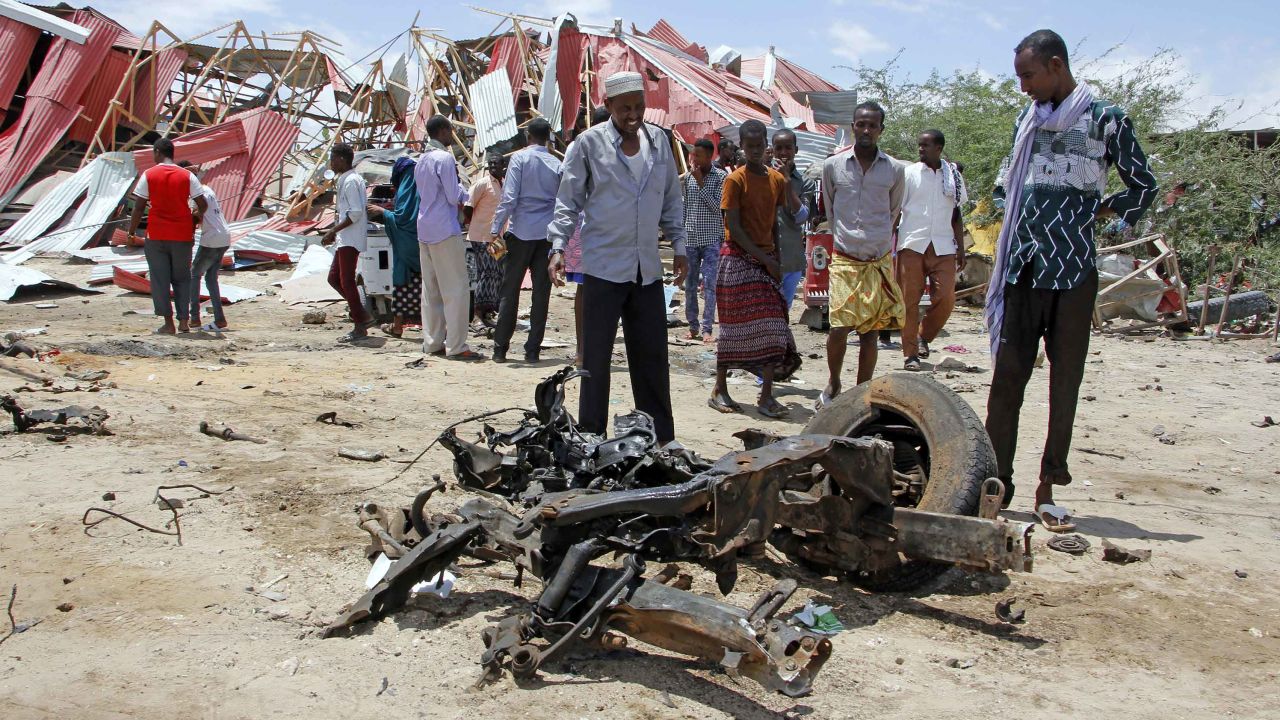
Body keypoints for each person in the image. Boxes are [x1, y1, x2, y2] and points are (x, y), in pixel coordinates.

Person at [985, 29, 1156, 531]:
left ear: (1056, 66)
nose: (1023, 88)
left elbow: (1143, 185)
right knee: (1006, 382)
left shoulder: (1108, 120)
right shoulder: (1027, 122)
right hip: (1024, 268)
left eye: (1028, 76)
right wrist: (1019, 212)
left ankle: (1048, 484)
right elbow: (1002, 185)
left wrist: (1102, 209)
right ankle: (998, 483)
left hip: (1074, 273)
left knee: (1065, 384)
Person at [548, 71, 688, 444]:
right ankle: (592, 436)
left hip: (647, 271)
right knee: (596, 359)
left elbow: (672, 199)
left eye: (639, 107)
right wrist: (557, 247)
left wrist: (680, 246)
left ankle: (659, 438)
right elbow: (568, 200)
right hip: (604, 269)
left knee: (652, 360)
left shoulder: (659, 142)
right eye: (625, 108)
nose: (634, 114)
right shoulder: (588, 144)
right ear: (608, 106)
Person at [710, 119, 802, 418]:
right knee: (733, 328)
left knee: (773, 328)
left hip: (765, 260)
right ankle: (719, 389)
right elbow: (733, 228)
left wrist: (776, 259)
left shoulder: (776, 180)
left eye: (758, 146)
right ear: (742, 147)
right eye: (748, 146)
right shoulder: (735, 180)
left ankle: (766, 395)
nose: (753, 151)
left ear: (767, 146)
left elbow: (774, 223)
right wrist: (767, 260)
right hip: (737, 259)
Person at [817, 101, 906, 408]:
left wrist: (877, 240)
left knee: (870, 332)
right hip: (844, 258)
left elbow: (893, 212)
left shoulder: (895, 169)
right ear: (852, 126)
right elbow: (829, 207)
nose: (866, 130)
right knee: (839, 326)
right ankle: (834, 382)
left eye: (872, 125)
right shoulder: (833, 166)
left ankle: (861, 391)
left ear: (881, 130)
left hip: (877, 261)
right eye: (861, 124)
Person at [490, 118, 562, 363]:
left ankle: (500, 349)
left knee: (510, 292)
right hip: (547, 236)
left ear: (528, 136)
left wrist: (495, 228)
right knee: (541, 295)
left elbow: (509, 198)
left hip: (520, 233)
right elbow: (562, 202)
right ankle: (532, 350)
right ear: (547, 137)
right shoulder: (556, 163)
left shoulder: (520, 159)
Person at [896, 129, 968, 370]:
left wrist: (961, 248)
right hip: (912, 244)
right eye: (919, 145)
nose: (920, 149)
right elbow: (896, 211)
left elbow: (957, 215)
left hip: (944, 245)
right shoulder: (909, 174)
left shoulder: (953, 177)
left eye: (926, 146)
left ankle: (923, 336)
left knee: (946, 298)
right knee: (909, 302)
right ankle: (910, 355)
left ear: (939, 148)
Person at [415, 115, 482, 360]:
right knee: (456, 289)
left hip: (425, 227)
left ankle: (432, 342)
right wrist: (469, 194)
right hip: (444, 228)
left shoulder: (421, 159)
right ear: (443, 131)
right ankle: (456, 346)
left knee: (431, 289)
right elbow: (454, 195)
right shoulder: (444, 158)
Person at [127, 138, 207, 335]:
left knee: (160, 278)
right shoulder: (187, 176)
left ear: (157, 152)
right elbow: (203, 204)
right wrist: (193, 220)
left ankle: (168, 323)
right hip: (182, 236)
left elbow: (138, 207)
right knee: (182, 278)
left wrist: (131, 231)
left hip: (157, 235)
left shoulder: (149, 174)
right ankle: (184, 321)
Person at [562, 105, 615, 367]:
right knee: (587, 290)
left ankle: (588, 350)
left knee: (597, 290)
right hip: (587, 227)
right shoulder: (582, 146)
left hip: (603, 228)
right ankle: (584, 351)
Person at [319, 143, 374, 343]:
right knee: (334, 278)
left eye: (333, 159)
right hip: (346, 238)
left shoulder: (351, 181)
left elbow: (356, 212)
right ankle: (361, 314)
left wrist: (333, 230)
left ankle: (360, 323)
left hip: (350, 238)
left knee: (346, 280)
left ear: (341, 159)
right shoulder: (348, 179)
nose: (331, 163)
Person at [367, 157, 421, 338]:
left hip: (407, 243)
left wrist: (382, 212)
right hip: (423, 246)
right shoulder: (421, 186)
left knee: (402, 284)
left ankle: (397, 326)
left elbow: (403, 219)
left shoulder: (408, 189)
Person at [681, 137, 727, 342]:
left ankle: (707, 328)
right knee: (689, 285)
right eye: (693, 155)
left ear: (710, 156)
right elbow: (686, 207)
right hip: (690, 238)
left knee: (710, 285)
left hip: (711, 239)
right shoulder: (689, 178)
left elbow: (718, 207)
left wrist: (701, 182)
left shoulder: (720, 177)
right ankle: (693, 326)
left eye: (698, 155)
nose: (694, 159)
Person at [180, 162, 232, 331]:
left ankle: (194, 318)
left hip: (211, 238)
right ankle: (219, 319)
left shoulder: (197, 193)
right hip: (224, 235)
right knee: (210, 278)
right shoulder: (208, 189)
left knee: (194, 275)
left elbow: (197, 215)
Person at [771, 129, 816, 313]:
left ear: (795, 150)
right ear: (772, 150)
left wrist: (787, 184)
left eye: (788, 148)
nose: (783, 153)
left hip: (791, 260)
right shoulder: (763, 178)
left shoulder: (805, 182)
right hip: (766, 258)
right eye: (779, 148)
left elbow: (802, 217)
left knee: (783, 311)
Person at [463, 153, 506, 329]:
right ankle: (477, 316)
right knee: (486, 273)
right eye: (491, 164)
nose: (493, 167)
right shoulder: (482, 184)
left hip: (498, 238)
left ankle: (488, 313)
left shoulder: (504, 184)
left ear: (503, 165)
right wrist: (473, 225)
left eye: (496, 164)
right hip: (481, 237)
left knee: (498, 274)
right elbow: (467, 207)